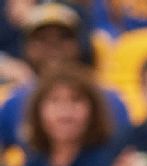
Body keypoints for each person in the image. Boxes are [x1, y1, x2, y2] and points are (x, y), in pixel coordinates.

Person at [0, 2, 129, 150]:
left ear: (80, 44)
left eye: (63, 37)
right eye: (41, 39)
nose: (53, 46)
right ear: (26, 47)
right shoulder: (15, 102)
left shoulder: (109, 99)